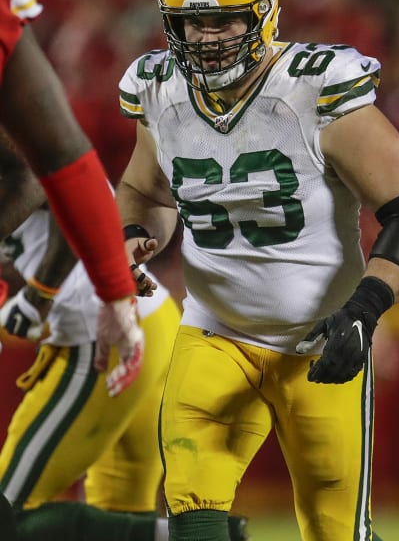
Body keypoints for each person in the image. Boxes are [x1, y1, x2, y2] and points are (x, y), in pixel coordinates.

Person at [116, 0, 399, 541]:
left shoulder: (314, 87)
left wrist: (364, 310)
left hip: (317, 343)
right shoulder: (159, 90)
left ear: (262, 15)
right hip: (214, 332)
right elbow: (145, 192)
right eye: (192, 22)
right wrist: (135, 233)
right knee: (192, 509)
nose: (206, 38)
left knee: (334, 528)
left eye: (225, 21)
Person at [0, 177, 247, 540]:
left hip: (100, 339)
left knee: (8, 514)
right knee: (118, 513)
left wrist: (40, 293)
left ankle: (184, 535)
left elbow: (63, 188)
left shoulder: (20, 145)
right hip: (150, 320)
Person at [0, 0, 144, 541]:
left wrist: (37, 296)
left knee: (14, 508)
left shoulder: (16, 153)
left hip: (94, 331)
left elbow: (53, 172)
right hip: (108, 319)